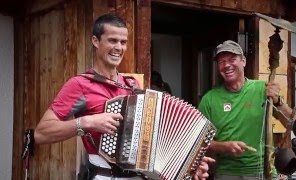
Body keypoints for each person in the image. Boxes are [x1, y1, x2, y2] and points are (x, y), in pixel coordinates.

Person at [34, 13, 212, 179]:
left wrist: (189, 164)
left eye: (123, 42)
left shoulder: (132, 85)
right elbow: (41, 134)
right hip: (103, 175)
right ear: (95, 41)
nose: (119, 48)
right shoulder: (79, 85)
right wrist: (87, 122)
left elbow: (153, 143)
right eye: (112, 40)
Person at [198, 40, 293, 179]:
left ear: (243, 61)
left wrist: (278, 102)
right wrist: (223, 146)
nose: (226, 65)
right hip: (226, 173)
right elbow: (199, 142)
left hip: (264, 171)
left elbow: (290, 122)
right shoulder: (209, 99)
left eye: (232, 59)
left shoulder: (263, 89)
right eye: (221, 61)